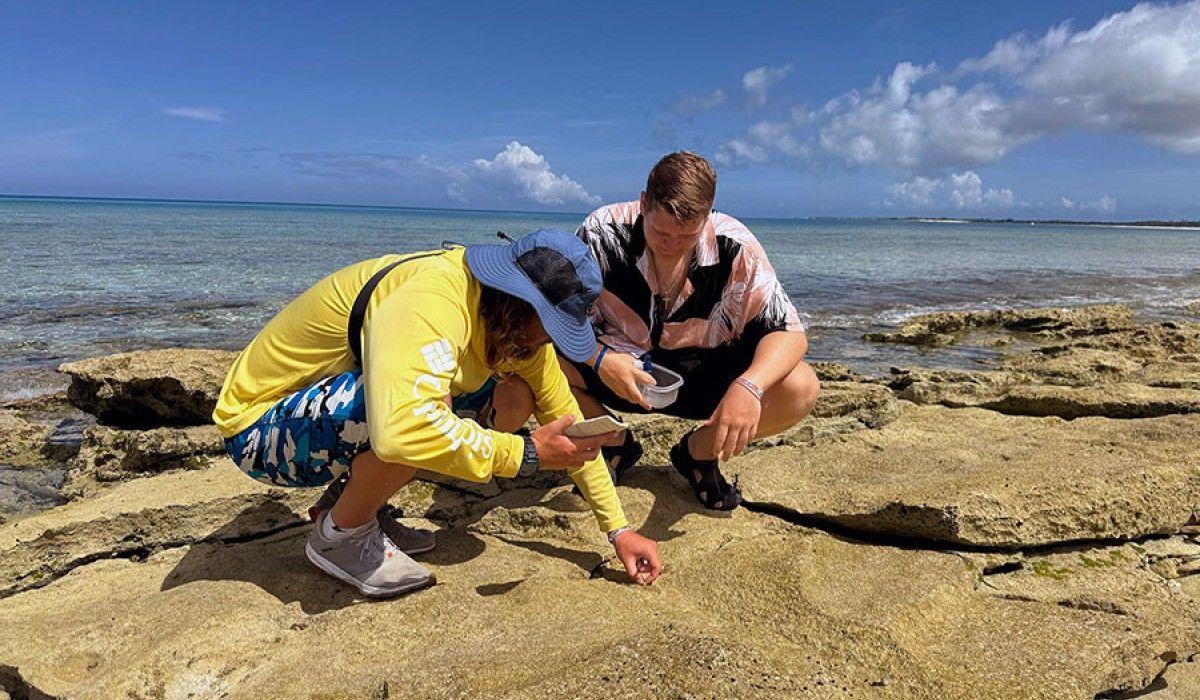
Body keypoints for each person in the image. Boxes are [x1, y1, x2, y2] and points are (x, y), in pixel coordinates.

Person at [213, 229, 662, 597]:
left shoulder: (516, 332)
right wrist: (524, 454)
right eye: (554, 326)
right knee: (418, 410)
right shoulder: (434, 298)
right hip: (260, 429)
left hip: (325, 412)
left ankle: (354, 506)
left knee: (517, 396)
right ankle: (340, 538)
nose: (553, 341)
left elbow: (570, 427)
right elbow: (403, 427)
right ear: (519, 301)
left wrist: (618, 530)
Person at [562, 152, 820, 510]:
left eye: (686, 235)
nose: (671, 244)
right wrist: (600, 358)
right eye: (661, 231)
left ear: (708, 215)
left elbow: (789, 333)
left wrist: (748, 388)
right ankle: (611, 441)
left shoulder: (735, 245)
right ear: (643, 203)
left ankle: (697, 453)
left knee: (800, 387)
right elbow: (560, 317)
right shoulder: (602, 231)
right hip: (620, 366)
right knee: (539, 359)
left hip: (705, 373)